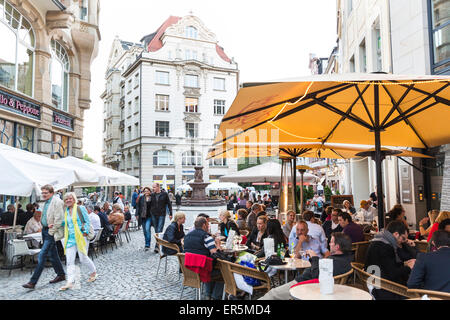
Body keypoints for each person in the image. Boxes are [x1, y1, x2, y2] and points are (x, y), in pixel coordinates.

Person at [259, 232, 353, 300]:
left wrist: (314, 257)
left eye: (331, 242)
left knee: (272, 294)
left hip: (306, 286)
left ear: (337, 247)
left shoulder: (335, 261)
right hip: (313, 285)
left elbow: (316, 274)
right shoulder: (345, 261)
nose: (329, 244)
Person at [23, 185, 66, 289]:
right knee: (53, 254)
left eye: (46, 193)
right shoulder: (46, 202)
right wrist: (44, 226)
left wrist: (51, 232)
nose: (43, 194)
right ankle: (61, 274)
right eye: (42, 193)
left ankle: (33, 282)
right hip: (45, 231)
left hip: (50, 232)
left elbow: (59, 219)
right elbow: (45, 216)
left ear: (51, 193)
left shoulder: (57, 201)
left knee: (41, 255)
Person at [365, 220, 416, 299]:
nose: (403, 241)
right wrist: (408, 267)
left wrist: (404, 264)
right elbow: (392, 274)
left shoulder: (379, 241)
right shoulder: (386, 247)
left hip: (374, 280)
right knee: (415, 286)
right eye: (403, 238)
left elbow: (386, 266)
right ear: (396, 234)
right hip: (383, 288)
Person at [59, 192, 97, 290]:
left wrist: (85, 231)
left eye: (70, 198)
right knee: (69, 261)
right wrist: (57, 223)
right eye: (66, 199)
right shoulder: (66, 211)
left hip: (81, 237)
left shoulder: (81, 208)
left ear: (74, 199)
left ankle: (93, 272)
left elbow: (87, 221)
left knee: (83, 258)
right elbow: (65, 223)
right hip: (70, 239)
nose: (68, 200)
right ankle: (70, 282)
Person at [183, 216, 224, 300]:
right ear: (204, 225)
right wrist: (219, 246)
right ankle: (215, 296)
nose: (208, 226)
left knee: (207, 266)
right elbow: (215, 254)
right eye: (208, 224)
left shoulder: (186, 237)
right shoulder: (206, 237)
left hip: (189, 270)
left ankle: (207, 294)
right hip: (202, 270)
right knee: (223, 273)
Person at [150, 183, 173, 253]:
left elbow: (169, 204)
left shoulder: (164, 194)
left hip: (162, 214)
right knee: (156, 230)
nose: (153, 188)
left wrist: (170, 213)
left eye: (154, 187)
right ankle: (159, 244)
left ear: (158, 187)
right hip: (153, 214)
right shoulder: (152, 195)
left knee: (159, 230)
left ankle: (157, 246)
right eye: (152, 187)